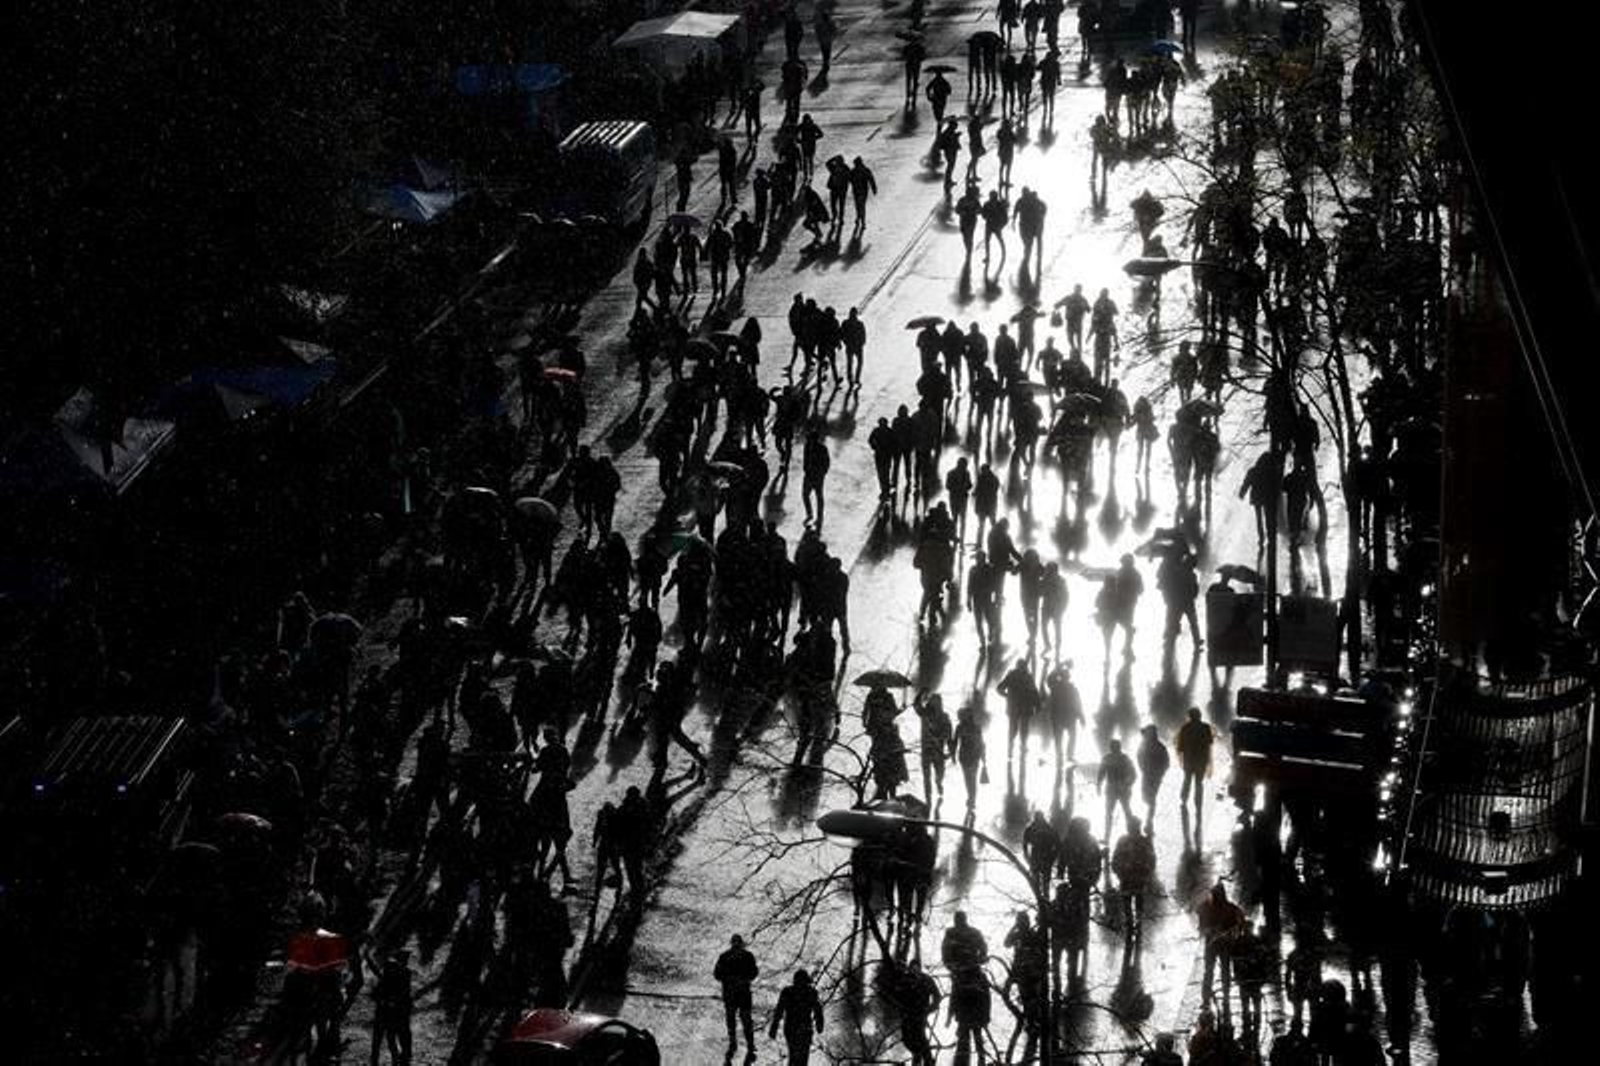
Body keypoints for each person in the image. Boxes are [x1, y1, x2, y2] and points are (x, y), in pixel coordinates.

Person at [1111, 815, 1155, 957]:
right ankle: (1135, 923)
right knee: (1135, 902)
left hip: (1130, 878)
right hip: (1134, 878)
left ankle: (1132, 924)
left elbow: (1115, 858)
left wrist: (1119, 871)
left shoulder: (1124, 841)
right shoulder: (1144, 841)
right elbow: (1152, 859)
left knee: (1130, 902)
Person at [1197, 883, 1246, 1008]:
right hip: (1211, 944)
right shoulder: (1206, 908)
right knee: (1209, 971)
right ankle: (1206, 999)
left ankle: (1225, 996)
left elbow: (1240, 924)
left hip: (1224, 945)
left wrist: (1230, 934)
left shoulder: (1231, 909)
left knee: (1224, 971)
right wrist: (1209, 931)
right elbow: (1201, 926)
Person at [715, 934, 760, 1055]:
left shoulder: (724, 957)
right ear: (741, 943)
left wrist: (728, 980)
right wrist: (744, 979)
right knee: (745, 1019)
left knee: (732, 1019)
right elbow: (754, 972)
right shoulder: (748, 956)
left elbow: (717, 974)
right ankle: (749, 1044)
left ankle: (734, 1042)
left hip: (731, 993)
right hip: (743, 993)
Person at [769, 969, 824, 1063]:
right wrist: (819, 1024)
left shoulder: (788, 992)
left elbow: (779, 1011)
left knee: (796, 1057)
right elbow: (818, 1011)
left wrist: (774, 1027)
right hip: (801, 1029)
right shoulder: (810, 992)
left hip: (794, 1029)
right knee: (800, 1058)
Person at [369, 950, 413, 1065]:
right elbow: (375, 994)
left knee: (385, 1039)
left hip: (388, 1013)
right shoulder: (402, 975)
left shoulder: (401, 975)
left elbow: (375, 994)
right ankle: (397, 1058)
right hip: (390, 1013)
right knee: (390, 1039)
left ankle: (394, 1059)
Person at [1176, 706, 1214, 832]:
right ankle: (1198, 803)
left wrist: (1181, 759)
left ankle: (1184, 798)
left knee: (1187, 779)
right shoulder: (1206, 728)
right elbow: (1209, 746)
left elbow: (1180, 747)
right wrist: (1209, 762)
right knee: (1199, 782)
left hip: (1189, 759)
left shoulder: (1185, 728)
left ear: (1190, 716)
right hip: (1201, 760)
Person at [898, 959, 942, 1066]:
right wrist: (901, 1009)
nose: (914, 969)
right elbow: (898, 996)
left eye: (916, 967)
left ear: (919, 967)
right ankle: (920, 1057)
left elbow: (937, 996)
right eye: (912, 967)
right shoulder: (905, 979)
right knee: (907, 1039)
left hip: (920, 1014)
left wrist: (930, 1009)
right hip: (907, 1014)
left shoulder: (927, 979)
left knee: (920, 1037)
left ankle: (927, 1061)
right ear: (910, 968)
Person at [997, 658, 1039, 762]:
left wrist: (1006, 696)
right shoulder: (1027, 677)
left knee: (1013, 729)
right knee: (1022, 730)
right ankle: (1022, 748)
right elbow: (1034, 692)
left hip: (1014, 707)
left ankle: (1011, 750)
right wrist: (1037, 705)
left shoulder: (1012, 676)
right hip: (1024, 707)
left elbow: (999, 688)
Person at [1097, 737, 1137, 842]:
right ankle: (1133, 834)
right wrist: (1127, 784)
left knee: (1110, 813)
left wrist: (1099, 786)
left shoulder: (1107, 758)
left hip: (1112, 789)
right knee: (1126, 811)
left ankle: (1107, 837)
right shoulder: (1125, 758)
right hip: (1122, 789)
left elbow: (1101, 773)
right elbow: (1133, 775)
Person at [950, 703, 987, 810]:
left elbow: (981, 743)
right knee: (969, 779)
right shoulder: (961, 727)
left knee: (971, 779)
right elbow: (955, 742)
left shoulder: (973, 727)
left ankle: (972, 798)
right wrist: (952, 754)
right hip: (966, 757)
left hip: (972, 756)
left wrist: (983, 758)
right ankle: (971, 797)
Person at [1136, 724, 1169, 829]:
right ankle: (1148, 820)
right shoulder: (1159, 746)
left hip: (1150, 776)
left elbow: (1139, 758)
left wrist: (1158, 773)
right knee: (1148, 799)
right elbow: (1166, 762)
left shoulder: (1148, 745)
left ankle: (1149, 822)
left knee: (1150, 799)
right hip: (1151, 775)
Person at [801, 429, 830, 527]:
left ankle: (819, 516)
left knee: (819, 496)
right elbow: (805, 458)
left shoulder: (822, 449)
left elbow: (826, 462)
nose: (808, 440)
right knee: (805, 495)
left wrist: (822, 473)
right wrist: (805, 468)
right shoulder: (807, 446)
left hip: (818, 476)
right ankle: (809, 513)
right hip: (809, 474)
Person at [849, 157, 877, 231]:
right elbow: (871, 180)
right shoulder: (865, 170)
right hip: (862, 191)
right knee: (860, 206)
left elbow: (849, 180)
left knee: (859, 206)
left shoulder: (854, 171)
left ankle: (862, 221)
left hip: (858, 191)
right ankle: (860, 219)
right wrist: (874, 189)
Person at [981, 189, 1009, 264]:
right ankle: (988, 256)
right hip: (991, 225)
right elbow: (983, 215)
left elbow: (1005, 217)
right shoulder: (987, 204)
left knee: (998, 240)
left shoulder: (998, 205)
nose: (992, 198)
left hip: (995, 225)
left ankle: (1003, 253)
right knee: (988, 241)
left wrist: (1001, 225)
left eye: (993, 196)